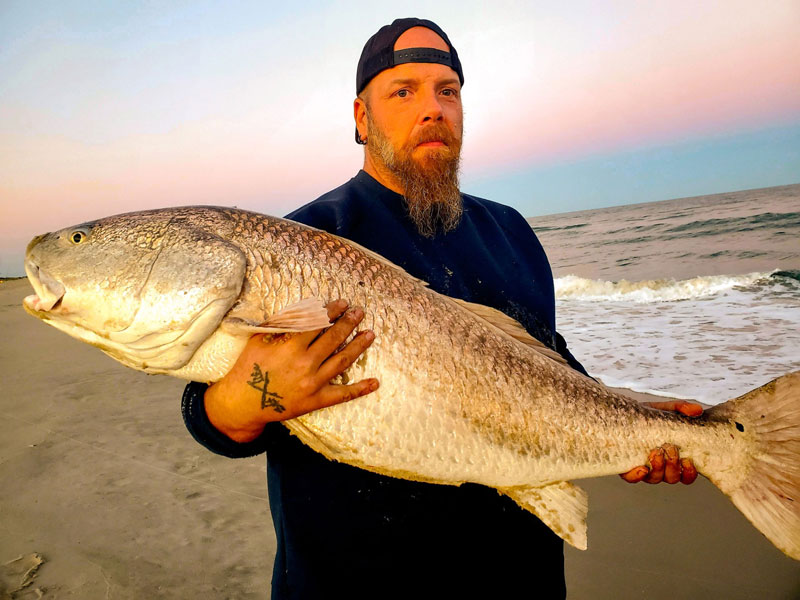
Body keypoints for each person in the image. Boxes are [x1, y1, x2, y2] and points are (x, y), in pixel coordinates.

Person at [181, 18, 701, 599]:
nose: (432, 109)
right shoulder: (302, 241)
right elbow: (211, 417)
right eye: (403, 92)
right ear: (361, 118)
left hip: (519, 576)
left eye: (446, 91)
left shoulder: (511, 230)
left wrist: (635, 420)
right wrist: (244, 400)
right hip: (353, 582)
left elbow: (549, 366)